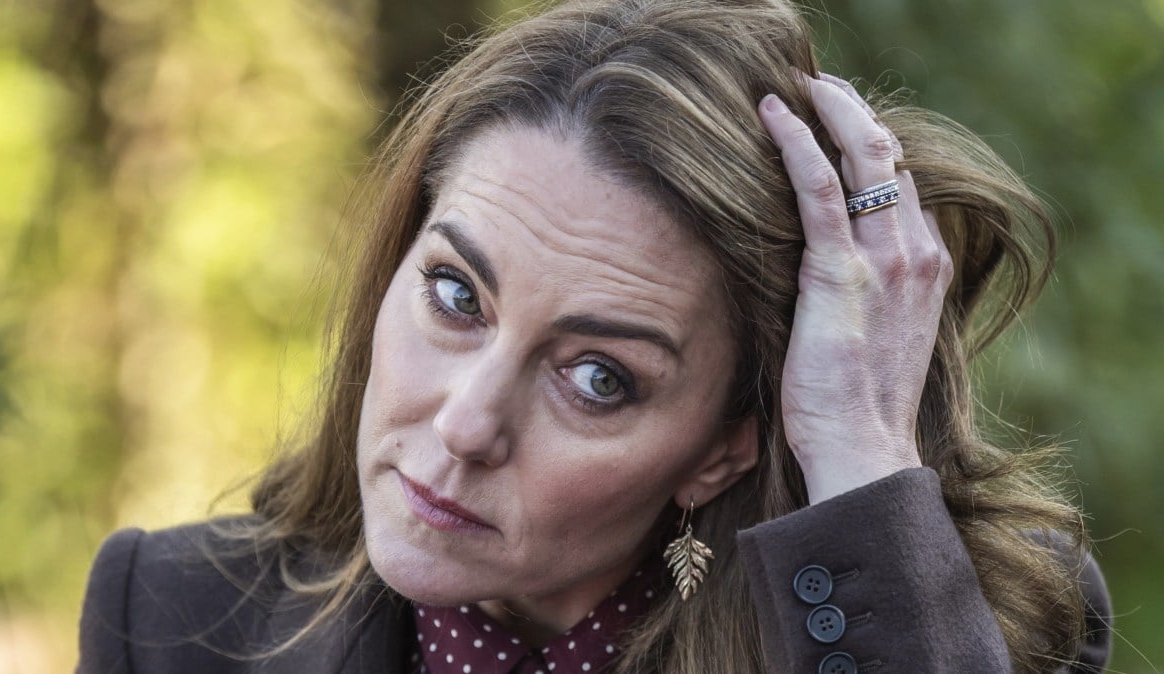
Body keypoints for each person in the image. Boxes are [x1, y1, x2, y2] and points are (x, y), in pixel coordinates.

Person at [76, 0, 1113, 672]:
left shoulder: (977, 623)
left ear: (722, 446)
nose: (468, 419)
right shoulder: (168, 617)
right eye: (453, 293)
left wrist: (857, 444)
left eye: (597, 376)